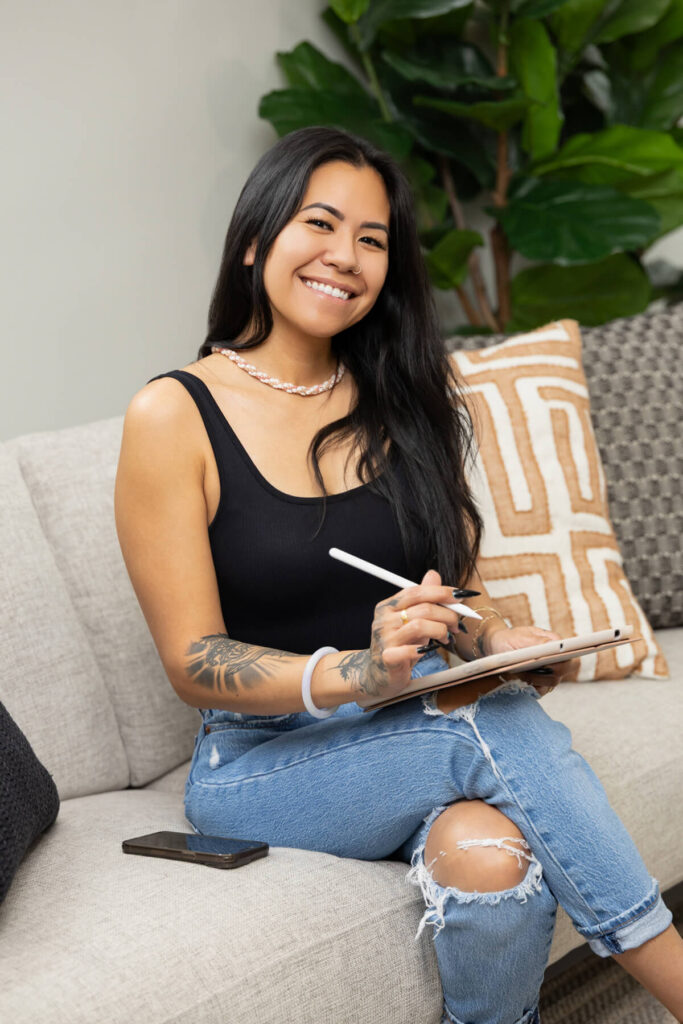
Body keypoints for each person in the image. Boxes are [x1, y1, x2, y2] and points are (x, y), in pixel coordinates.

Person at [114, 125, 683, 1024]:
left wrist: (496, 638)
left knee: (487, 855)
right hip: (259, 764)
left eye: (372, 241)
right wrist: (362, 671)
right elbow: (192, 659)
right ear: (257, 237)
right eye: (321, 224)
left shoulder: (400, 401)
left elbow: (446, 591)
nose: (346, 257)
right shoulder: (172, 414)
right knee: (482, 730)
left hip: (411, 717)